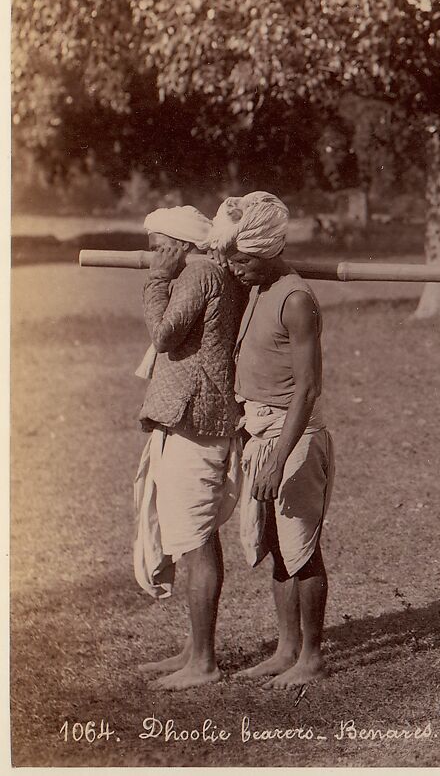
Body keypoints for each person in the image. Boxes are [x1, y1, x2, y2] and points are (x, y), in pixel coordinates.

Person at [208, 191, 335, 687]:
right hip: (260, 432)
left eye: (239, 261)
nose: (232, 269)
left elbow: (308, 389)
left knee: (303, 548)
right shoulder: (258, 288)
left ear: (263, 252)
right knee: (279, 547)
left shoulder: (296, 299)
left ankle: (312, 656)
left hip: (294, 434)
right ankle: (286, 649)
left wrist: (279, 461)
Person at [133, 205, 247, 690]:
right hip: (192, 415)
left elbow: (162, 335)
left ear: (178, 246)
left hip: (194, 417)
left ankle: (203, 662)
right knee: (190, 534)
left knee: (195, 538)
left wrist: (157, 281)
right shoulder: (207, 271)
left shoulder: (198, 273)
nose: (155, 257)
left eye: (160, 248)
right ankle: (194, 647)